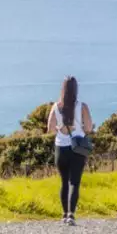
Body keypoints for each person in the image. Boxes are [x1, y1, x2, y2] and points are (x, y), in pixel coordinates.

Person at [47, 76, 94, 225]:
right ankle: (71, 215)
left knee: (64, 182)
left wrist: (59, 128)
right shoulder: (83, 106)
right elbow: (88, 128)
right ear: (76, 89)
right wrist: (78, 128)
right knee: (75, 182)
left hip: (61, 147)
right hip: (77, 148)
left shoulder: (56, 107)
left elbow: (49, 129)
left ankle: (63, 214)